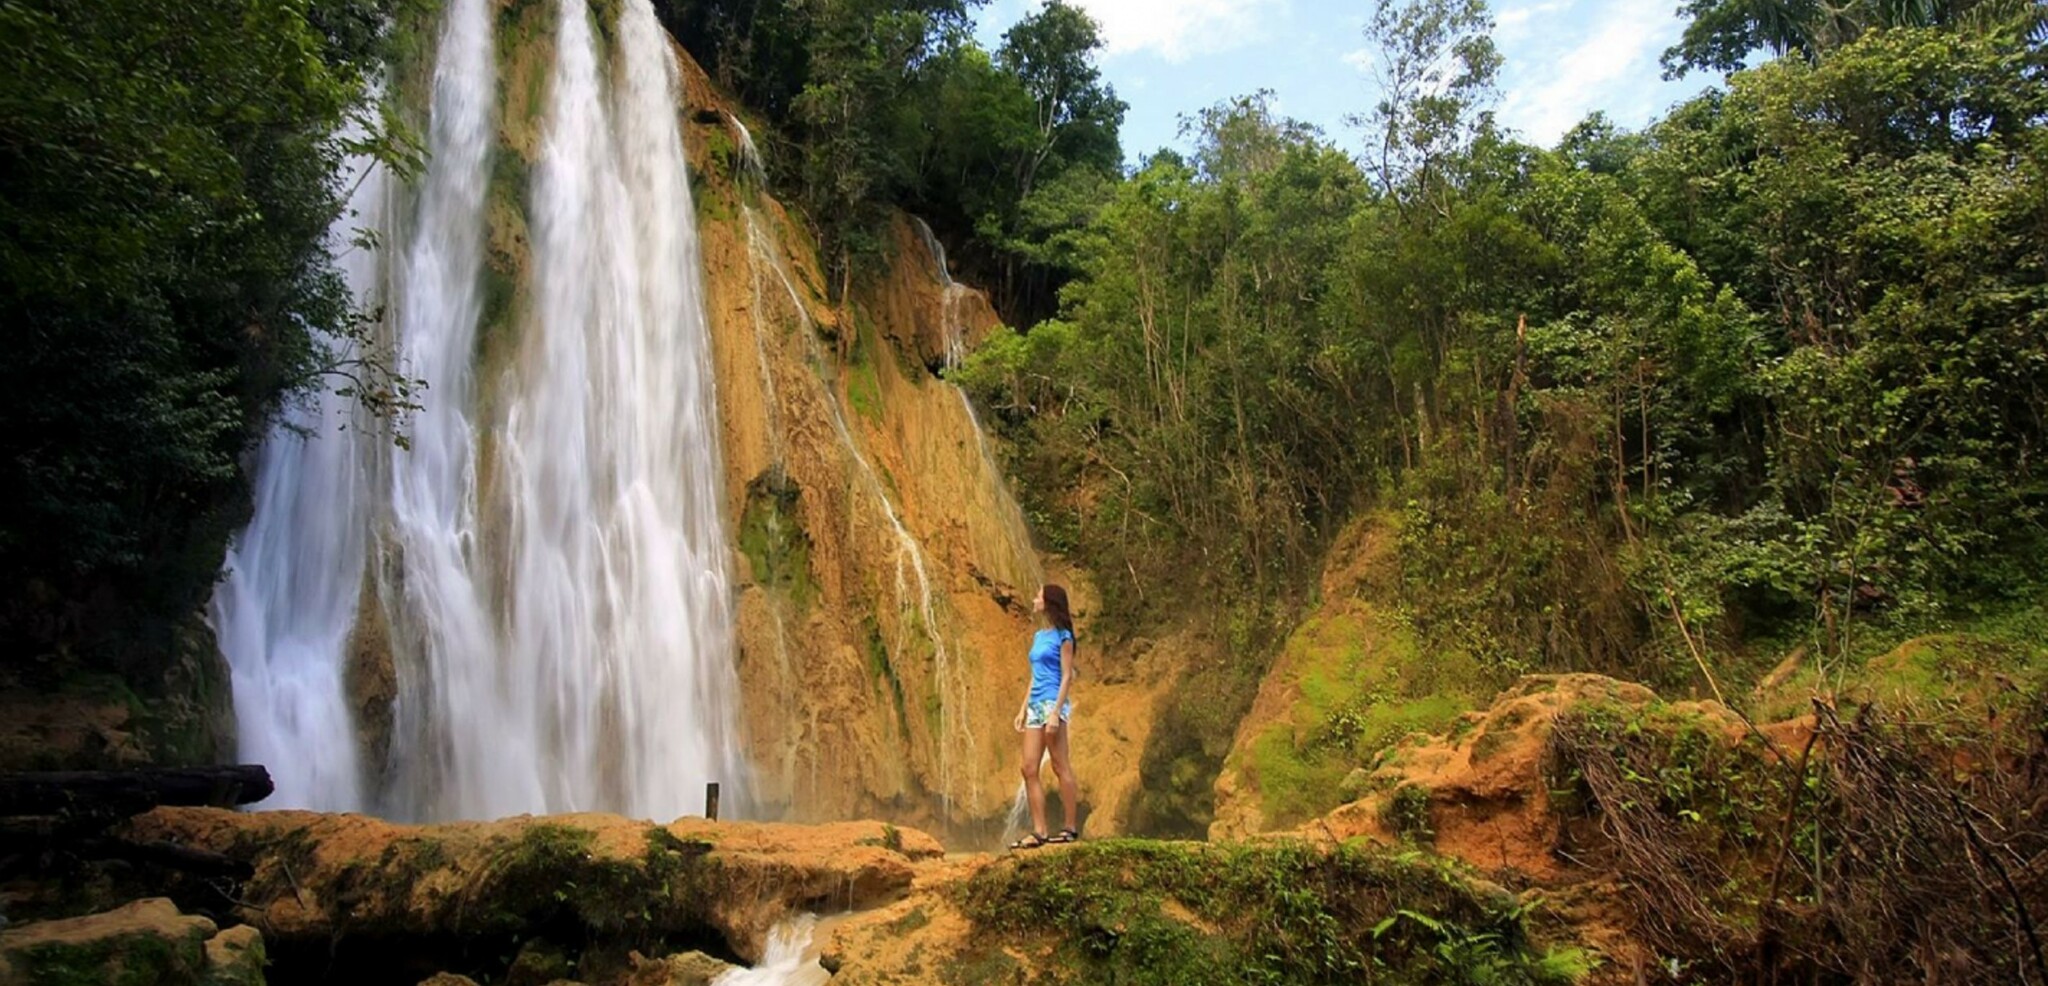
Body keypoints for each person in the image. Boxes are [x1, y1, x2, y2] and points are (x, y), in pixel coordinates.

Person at [1010, 583, 1081, 849]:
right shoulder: (1040, 635)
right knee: (1028, 767)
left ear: (1049, 601)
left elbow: (1066, 676)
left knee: (1059, 765)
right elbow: (1034, 676)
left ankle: (1070, 828)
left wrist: (1055, 713)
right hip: (1035, 705)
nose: (1034, 599)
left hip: (1053, 704)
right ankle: (1039, 831)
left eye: (1038, 595)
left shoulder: (1064, 637)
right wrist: (1022, 708)